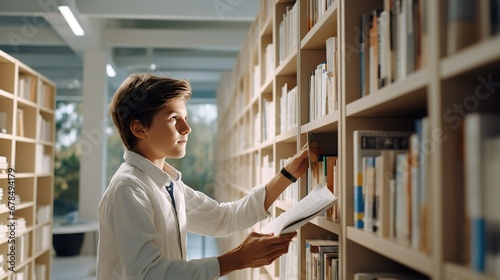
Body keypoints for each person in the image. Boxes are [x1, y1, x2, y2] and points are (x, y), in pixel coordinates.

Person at [97, 73, 322, 279]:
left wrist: (287, 174)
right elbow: (148, 275)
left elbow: (224, 219)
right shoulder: (129, 189)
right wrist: (236, 259)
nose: (186, 128)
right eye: (174, 118)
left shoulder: (168, 184)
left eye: (185, 117)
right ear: (139, 129)